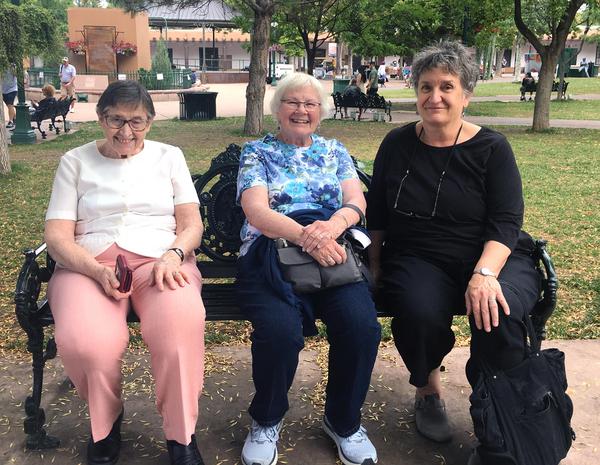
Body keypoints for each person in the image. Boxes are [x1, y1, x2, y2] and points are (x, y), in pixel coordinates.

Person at [367, 41, 542, 465]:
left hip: (493, 255)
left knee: (498, 311)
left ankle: (495, 415)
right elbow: (377, 213)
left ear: (467, 94)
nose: (435, 97)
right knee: (419, 311)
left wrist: (484, 274)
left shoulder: (492, 148)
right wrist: (374, 265)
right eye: (426, 86)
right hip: (418, 256)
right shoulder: (396, 143)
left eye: (447, 86)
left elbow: (506, 221)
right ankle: (428, 392)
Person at [44, 80, 207, 465]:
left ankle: (181, 435)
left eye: (137, 122)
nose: (127, 132)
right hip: (89, 265)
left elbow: (191, 224)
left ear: (150, 122)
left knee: (179, 330)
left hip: (160, 262)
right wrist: (94, 271)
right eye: (117, 120)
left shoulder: (170, 157)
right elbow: (56, 236)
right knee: (87, 342)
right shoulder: (75, 161)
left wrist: (174, 254)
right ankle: (106, 422)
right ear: (101, 119)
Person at [236, 72, 381, 465]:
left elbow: (356, 202)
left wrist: (331, 229)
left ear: (321, 111)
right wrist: (307, 238)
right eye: (292, 102)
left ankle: (344, 421)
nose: (301, 110)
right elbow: (257, 211)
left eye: (310, 104)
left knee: (361, 328)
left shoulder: (335, 151)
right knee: (279, 333)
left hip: (332, 250)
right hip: (272, 253)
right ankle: (266, 419)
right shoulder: (257, 153)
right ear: (277, 109)